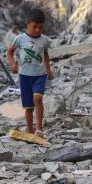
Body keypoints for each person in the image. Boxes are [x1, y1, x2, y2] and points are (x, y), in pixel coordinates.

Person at [6, 8, 55, 138]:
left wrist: (48, 69)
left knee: (38, 98)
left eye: (41, 27)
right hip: (24, 76)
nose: (38, 30)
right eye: (35, 27)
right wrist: (12, 64)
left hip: (39, 75)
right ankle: (29, 129)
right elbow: (9, 51)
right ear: (27, 24)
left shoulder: (44, 40)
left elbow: (45, 54)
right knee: (28, 107)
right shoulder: (20, 39)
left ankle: (39, 128)